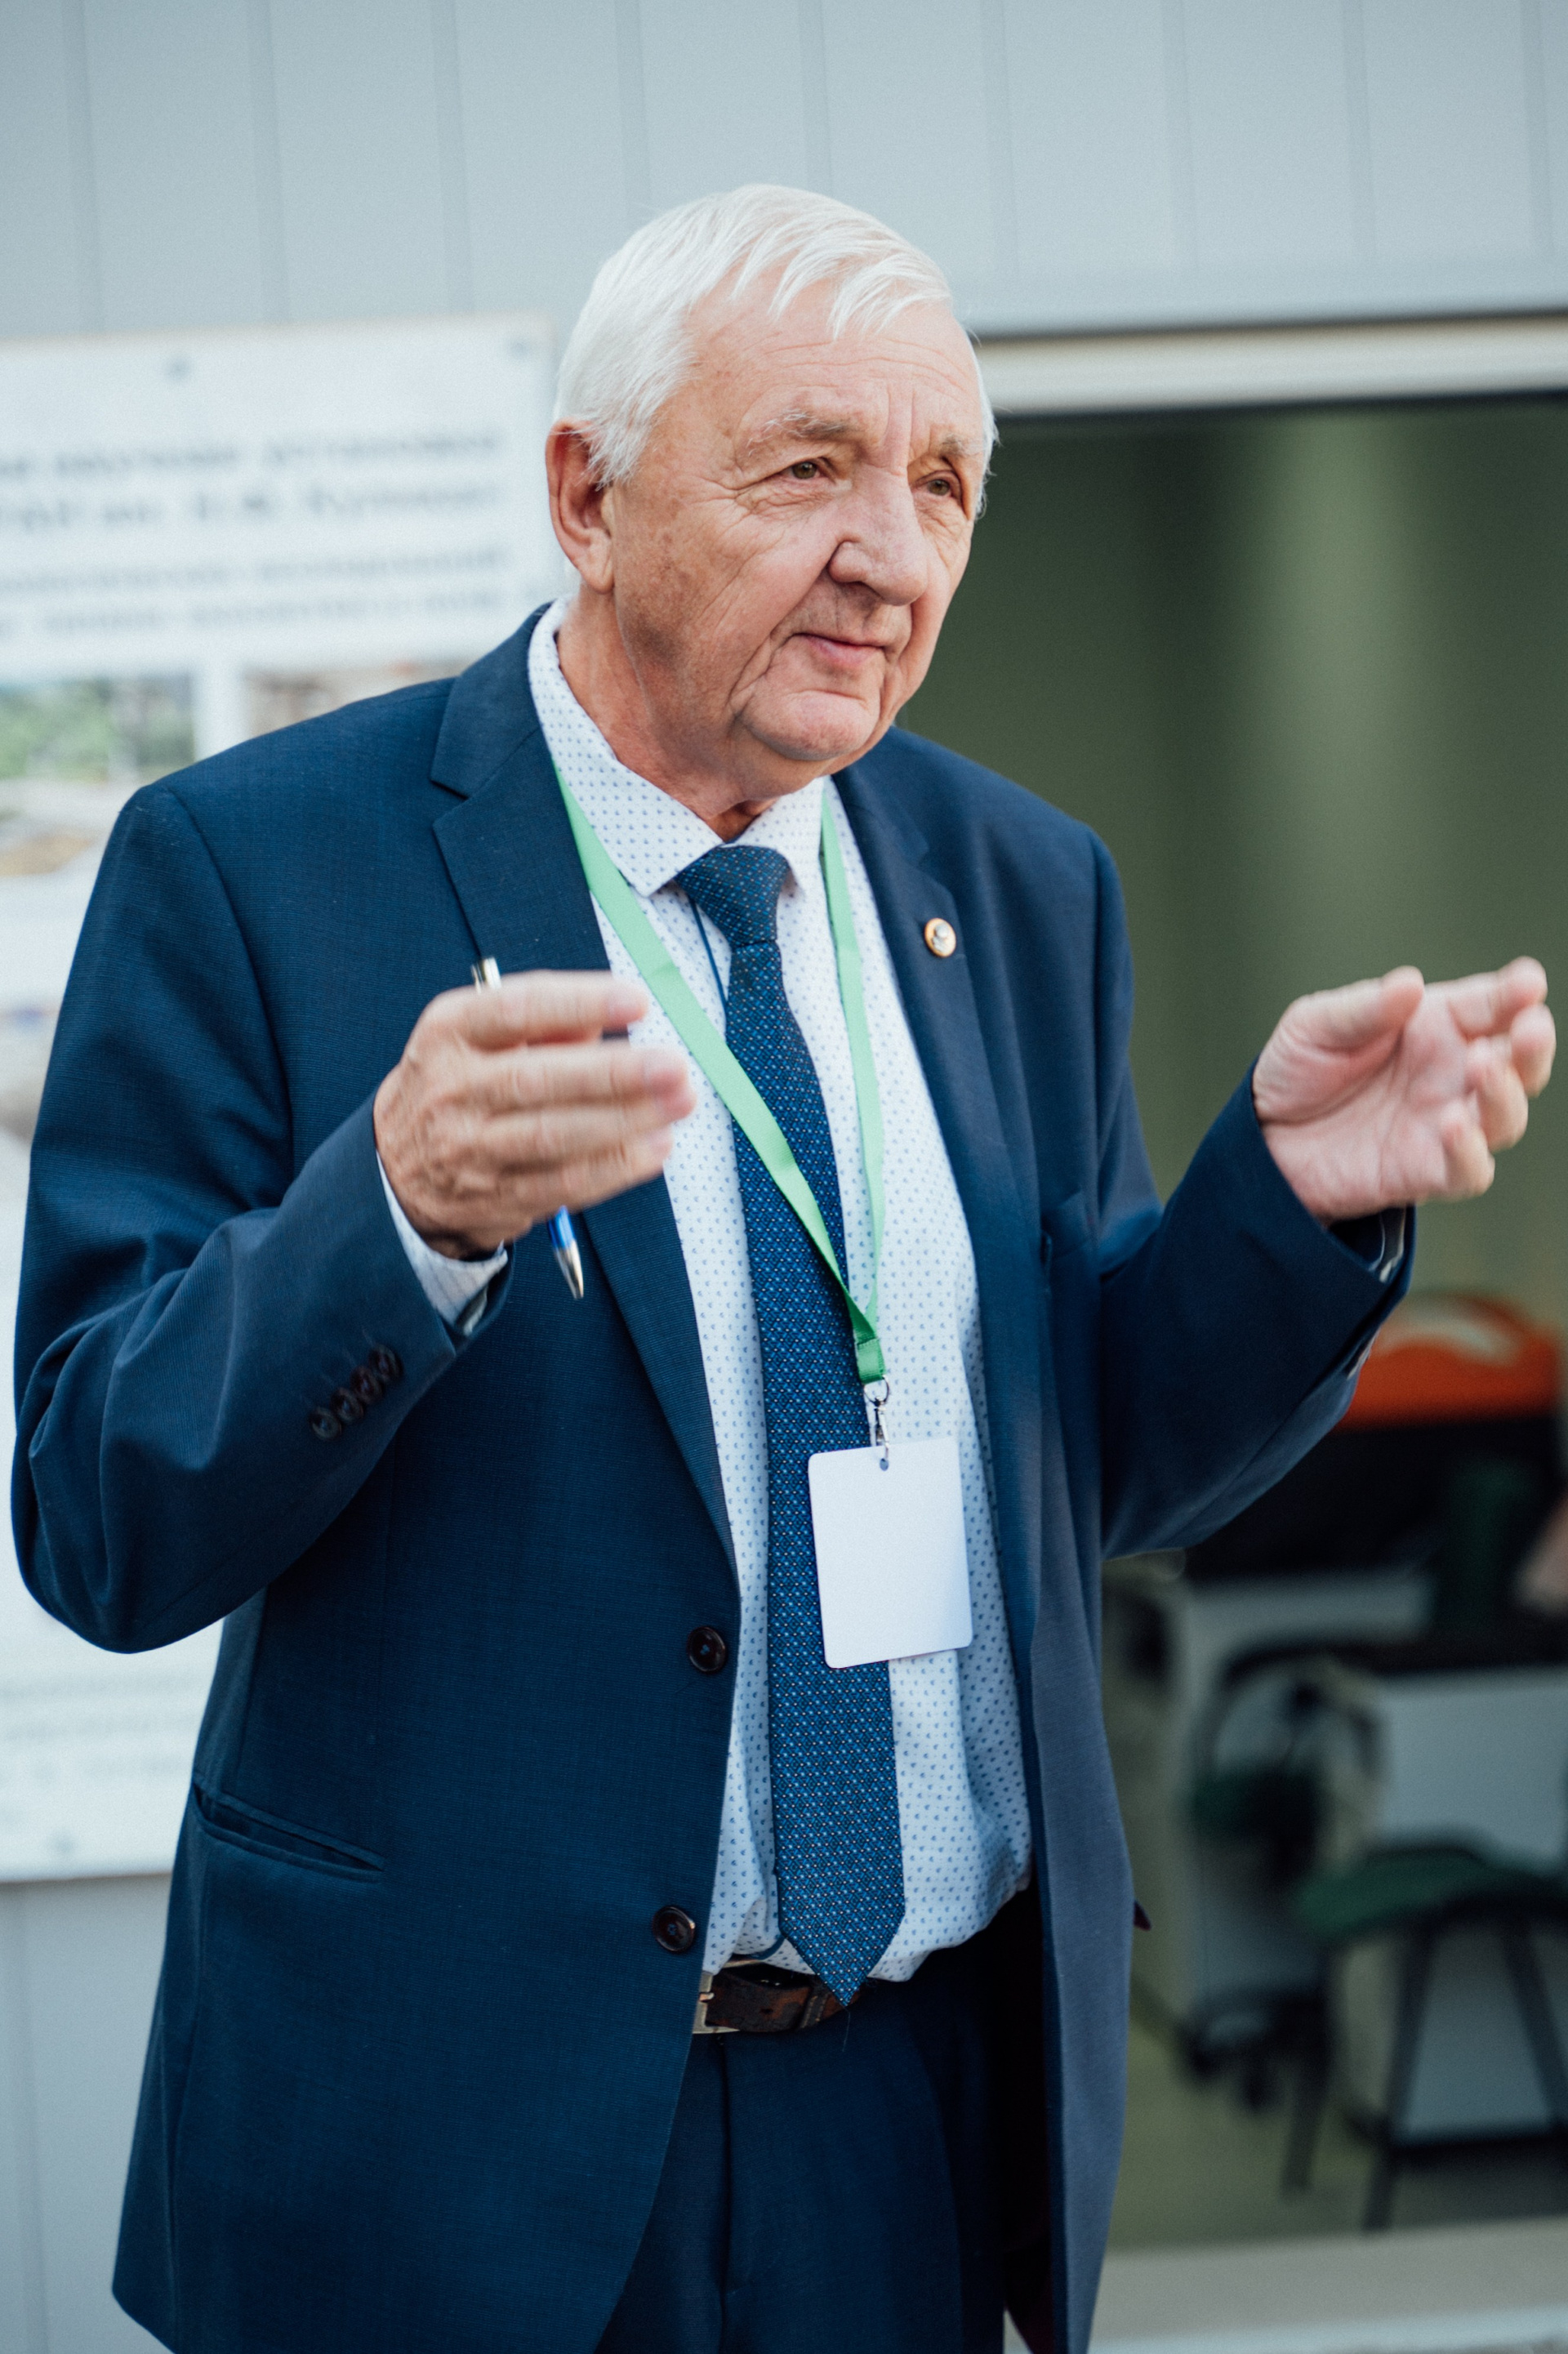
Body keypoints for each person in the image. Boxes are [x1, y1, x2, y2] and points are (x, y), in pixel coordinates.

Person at [11, 186, 1553, 2354]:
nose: (891, 552)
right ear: (590, 496)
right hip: (449, 2131)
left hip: (904, 2120)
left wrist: (1288, 1211)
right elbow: (97, 1509)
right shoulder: (258, 870)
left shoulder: (1021, 883)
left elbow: (1084, 1464)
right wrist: (400, 1218)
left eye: (944, 485)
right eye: (812, 466)